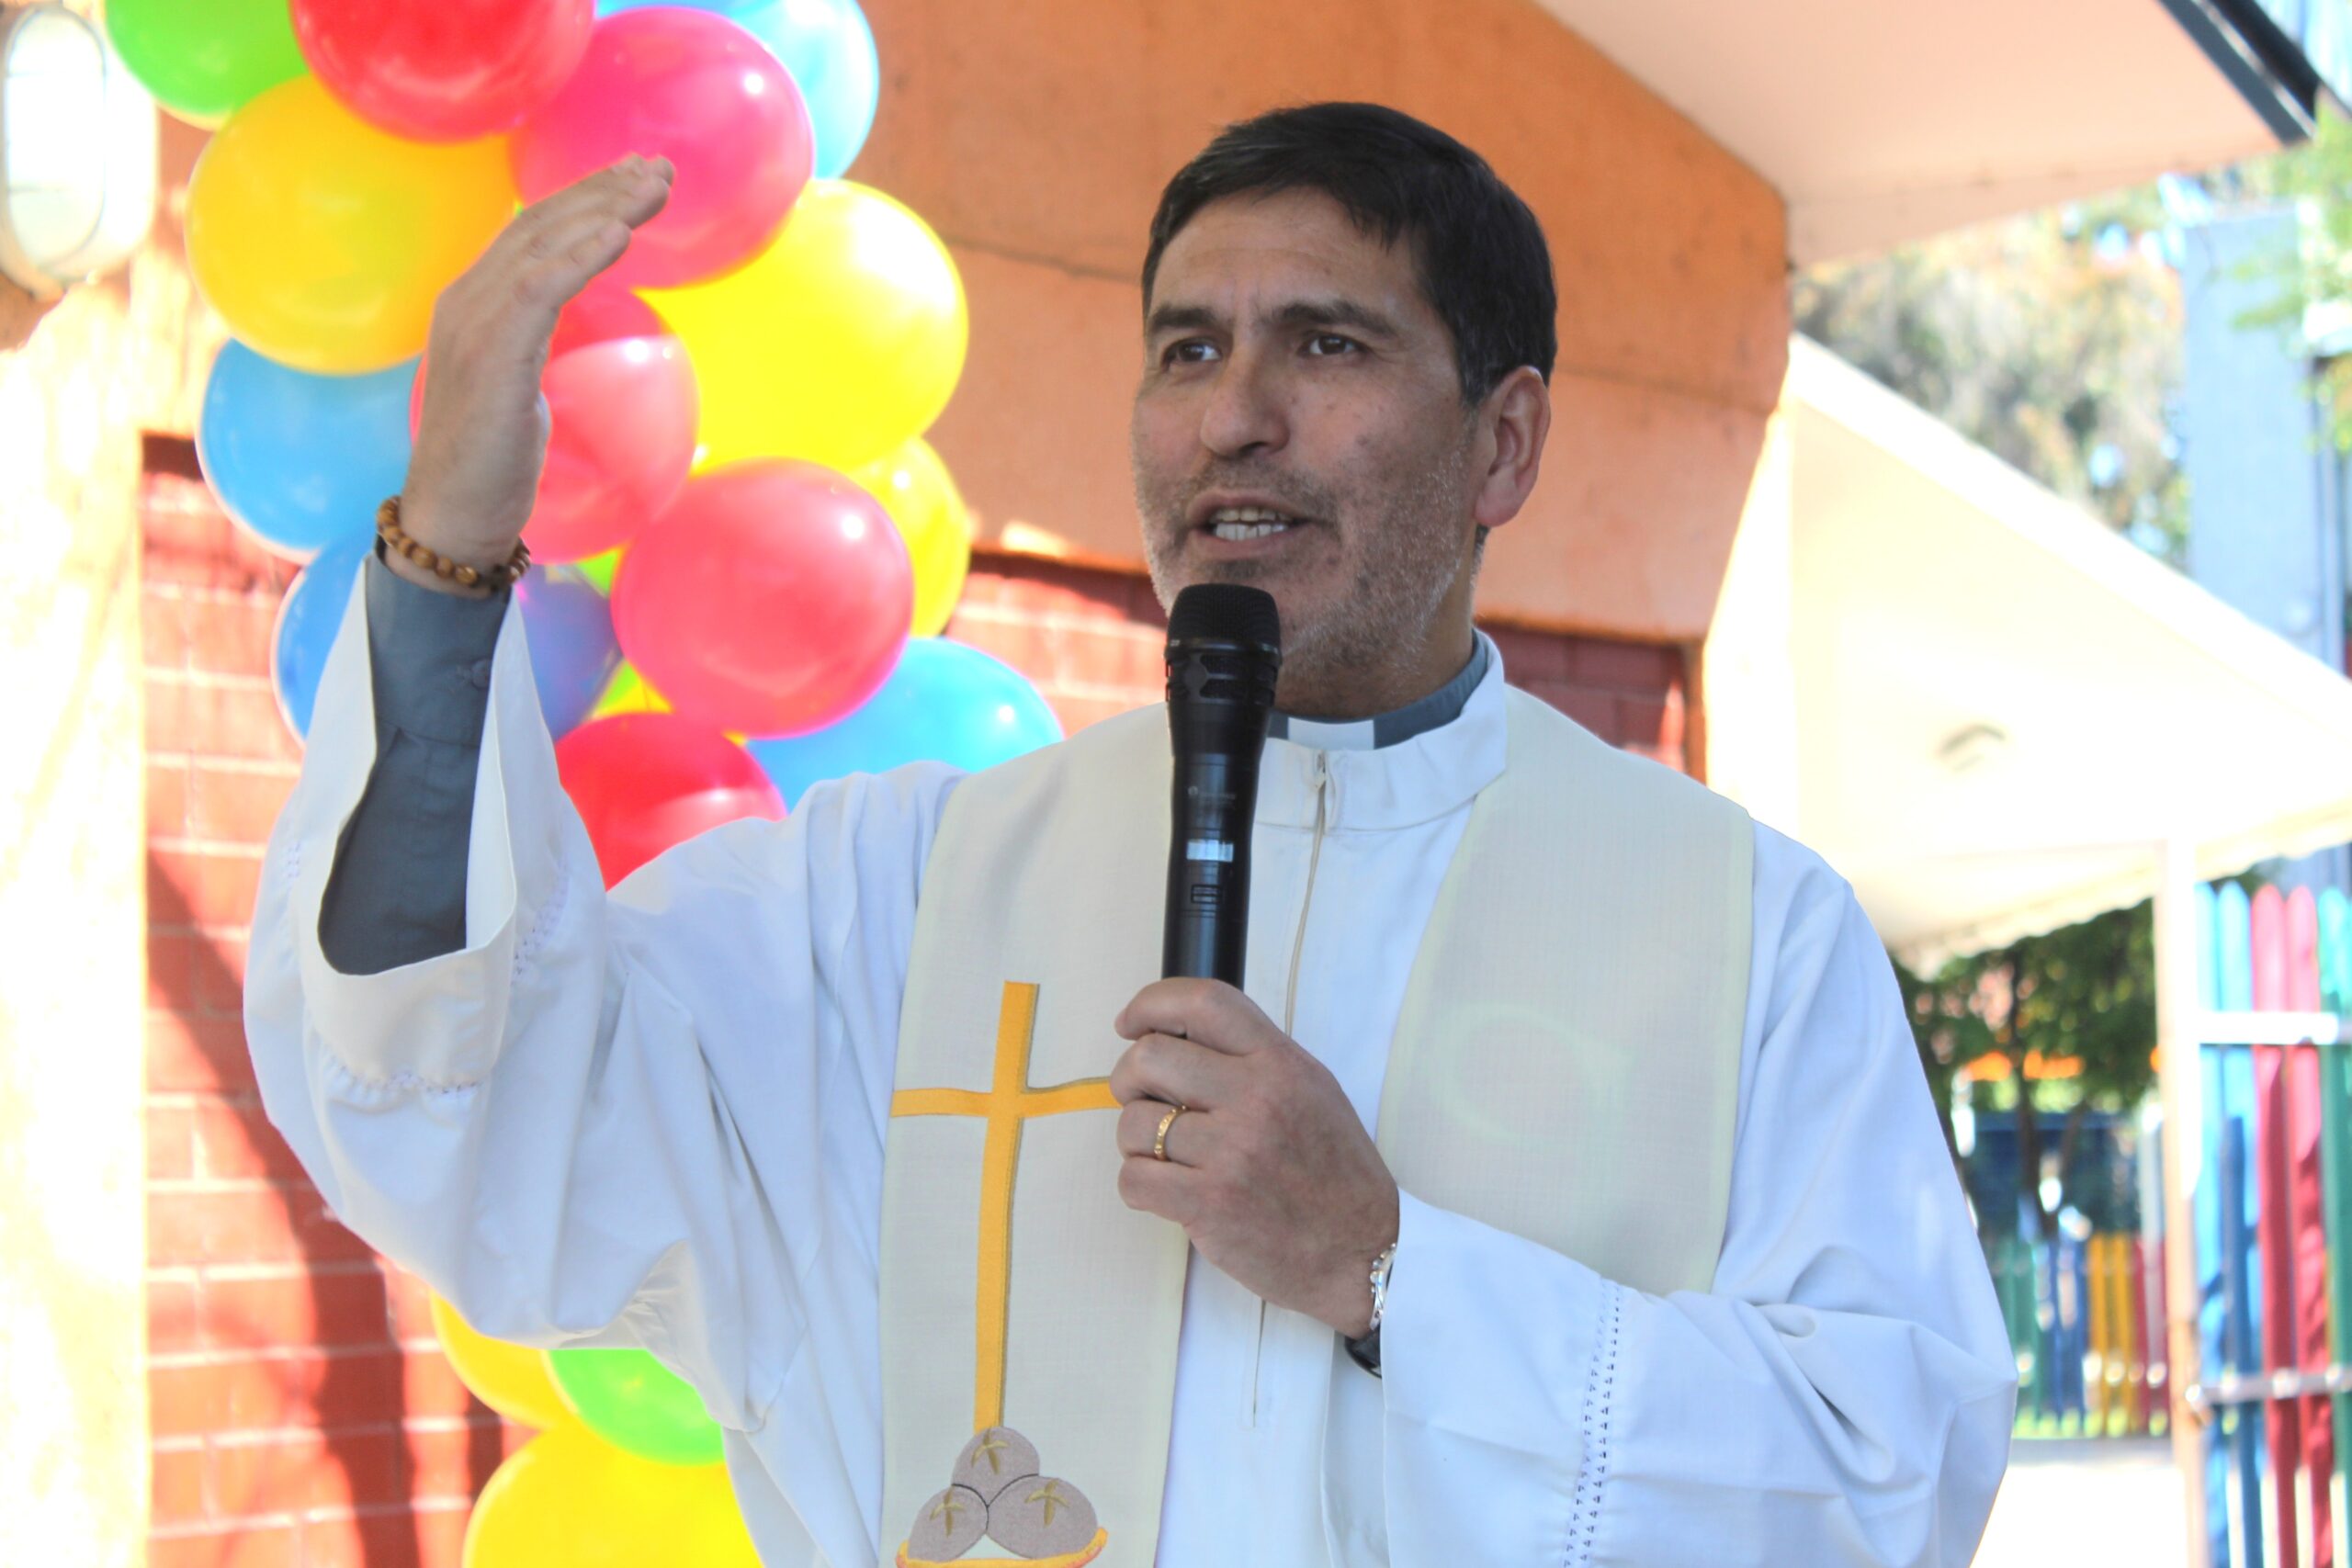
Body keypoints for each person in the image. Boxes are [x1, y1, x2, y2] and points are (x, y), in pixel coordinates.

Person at [245, 103, 2018, 1567]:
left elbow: (1889, 1476)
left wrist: (1390, 1274)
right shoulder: (893, 904)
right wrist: (448, 561)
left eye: (1326, 342)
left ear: (1506, 442)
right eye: (1188, 347)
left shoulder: (1742, 932)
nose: (1234, 413)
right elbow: (465, 1108)